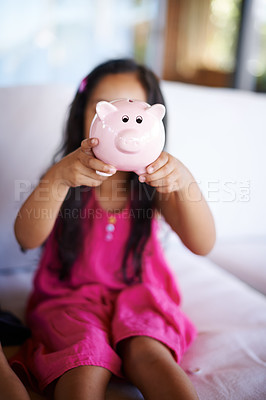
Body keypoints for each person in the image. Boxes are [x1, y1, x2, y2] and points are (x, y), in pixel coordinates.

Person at [11, 58, 216, 400]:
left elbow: (203, 244)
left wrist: (185, 182)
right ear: (84, 115)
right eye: (108, 106)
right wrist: (57, 179)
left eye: (135, 109)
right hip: (71, 297)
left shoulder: (156, 183)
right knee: (83, 361)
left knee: (149, 352)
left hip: (141, 294)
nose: (124, 123)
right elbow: (26, 237)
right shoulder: (65, 175)